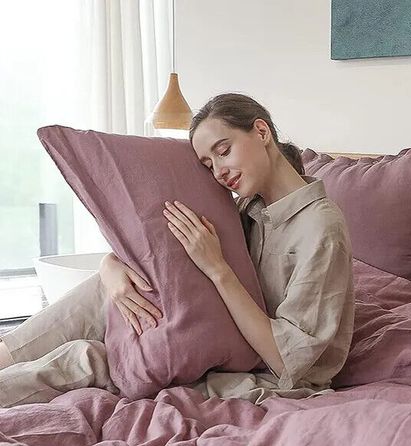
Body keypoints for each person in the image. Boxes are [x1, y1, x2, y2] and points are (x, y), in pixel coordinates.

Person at [0, 93, 355, 407]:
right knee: (113, 290)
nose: (219, 172)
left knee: (88, 357)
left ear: (261, 132)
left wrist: (218, 269)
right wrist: (112, 268)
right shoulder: (248, 212)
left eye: (224, 150)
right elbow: (165, 256)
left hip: (267, 372)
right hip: (214, 333)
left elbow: (287, 360)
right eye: (208, 165)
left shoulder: (321, 226)